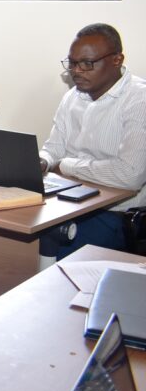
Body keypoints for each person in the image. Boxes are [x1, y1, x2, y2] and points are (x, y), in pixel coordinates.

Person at [39, 23, 146, 259]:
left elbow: (129, 175)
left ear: (117, 60)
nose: (77, 71)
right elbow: (54, 148)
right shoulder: (72, 97)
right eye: (72, 63)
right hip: (67, 202)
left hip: (115, 214)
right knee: (8, 232)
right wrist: (43, 161)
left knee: (46, 247)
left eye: (87, 63)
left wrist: (66, 166)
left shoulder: (139, 100)